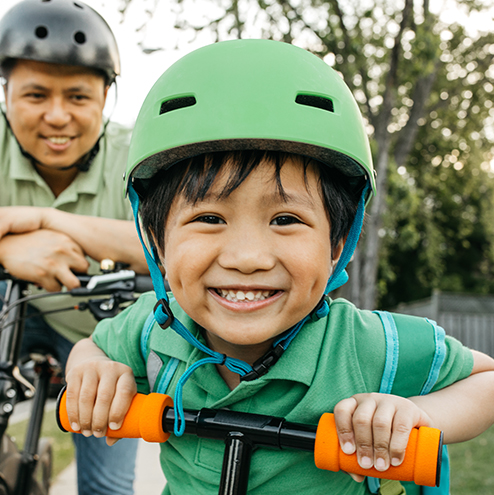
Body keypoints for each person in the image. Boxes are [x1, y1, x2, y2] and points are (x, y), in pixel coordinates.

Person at [64, 39, 494, 495]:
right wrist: (91, 370)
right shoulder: (153, 330)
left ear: (337, 245)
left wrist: (420, 417)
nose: (248, 258)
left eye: (285, 219)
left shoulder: (364, 347)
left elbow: (484, 381)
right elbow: (92, 348)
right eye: (209, 219)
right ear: (157, 244)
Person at [0, 0, 148, 493]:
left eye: (78, 97)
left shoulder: (138, 155)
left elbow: (170, 248)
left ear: (106, 96)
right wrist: (8, 251)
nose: (57, 117)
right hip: (8, 312)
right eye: (36, 94)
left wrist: (48, 220)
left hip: (98, 332)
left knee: (108, 486)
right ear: (5, 92)